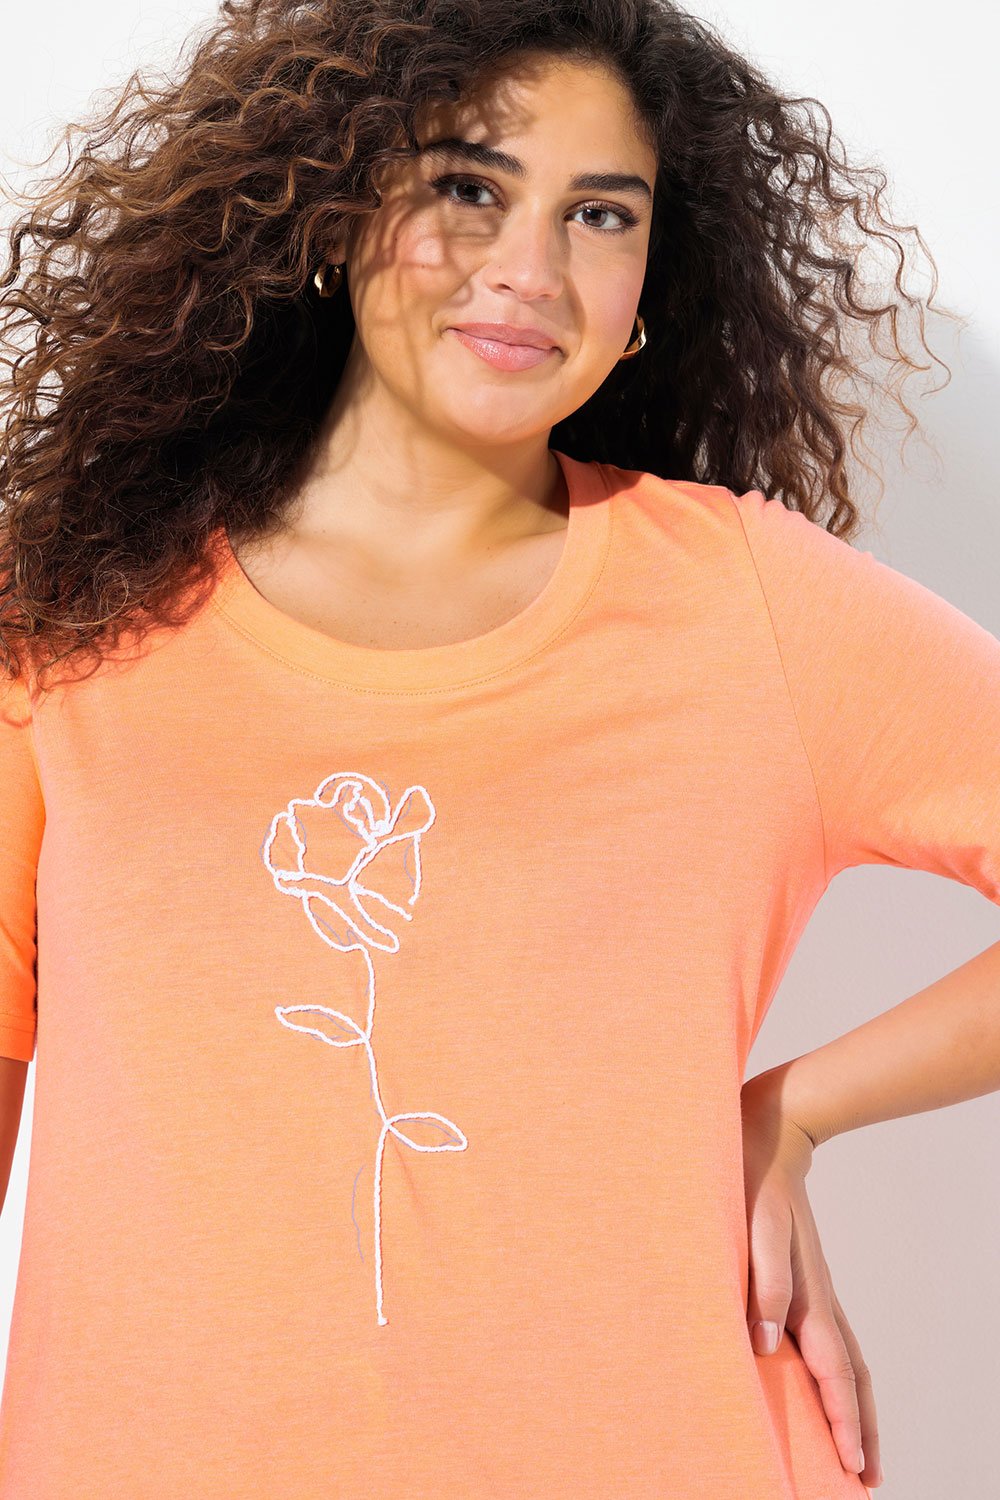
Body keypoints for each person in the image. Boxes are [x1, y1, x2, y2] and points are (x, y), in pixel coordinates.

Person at [0, 0, 998, 1494]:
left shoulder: (746, 605)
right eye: (469, 185)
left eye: (601, 214)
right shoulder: (78, 619)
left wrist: (795, 1114)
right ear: (334, 210)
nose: (532, 269)